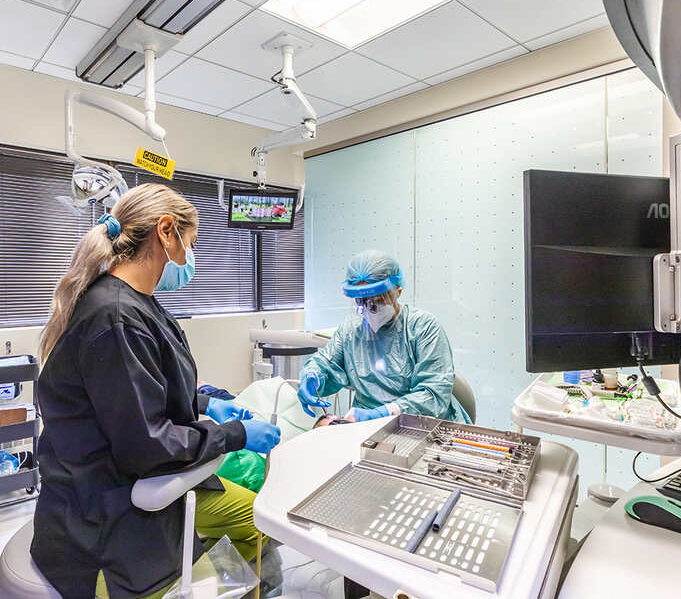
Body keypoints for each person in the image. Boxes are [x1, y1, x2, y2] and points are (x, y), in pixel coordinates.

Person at [31, 183, 282, 599]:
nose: (189, 259)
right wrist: (234, 436)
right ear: (166, 231)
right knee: (231, 563)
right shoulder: (115, 318)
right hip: (108, 520)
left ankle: (241, 582)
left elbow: (144, 389)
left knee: (260, 520)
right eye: (190, 244)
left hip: (144, 488)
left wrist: (207, 405)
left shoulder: (139, 304)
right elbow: (146, 444)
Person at [297, 250, 470, 424]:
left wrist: (386, 412)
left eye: (377, 299)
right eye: (361, 300)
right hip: (366, 429)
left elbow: (434, 394)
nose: (368, 307)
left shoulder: (423, 327)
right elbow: (326, 364)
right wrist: (313, 376)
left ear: (398, 292)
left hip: (424, 426)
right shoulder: (351, 330)